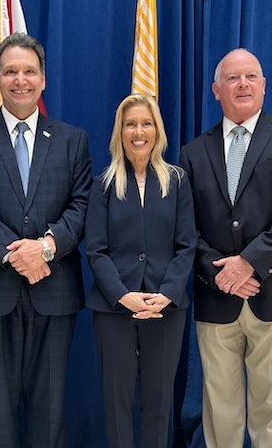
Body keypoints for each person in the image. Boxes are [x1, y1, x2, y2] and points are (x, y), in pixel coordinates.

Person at [0, 32, 92, 448]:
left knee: (50, 408)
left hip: (56, 288)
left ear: (43, 79)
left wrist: (45, 247)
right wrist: (16, 255)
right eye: (10, 71)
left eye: (29, 71)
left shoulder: (72, 139)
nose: (20, 80)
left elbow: (82, 205)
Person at [179, 48, 272, 448]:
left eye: (251, 76)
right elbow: (184, 225)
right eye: (232, 78)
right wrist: (220, 272)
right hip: (216, 294)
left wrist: (250, 264)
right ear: (215, 90)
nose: (243, 84)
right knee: (219, 406)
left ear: (263, 85)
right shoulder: (192, 152)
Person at [85, 94, 196, 448]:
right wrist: (123, 296)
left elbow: (186, 245)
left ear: (157, 131)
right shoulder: (103, 184)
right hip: (114, 307)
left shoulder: (177, 181)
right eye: (130, 124)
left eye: (146, 123)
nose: (138, 132)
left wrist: (166, 294)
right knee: (117, 403)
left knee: (159, 402)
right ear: (120, 131)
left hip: (167, 307)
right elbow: (96, 250)